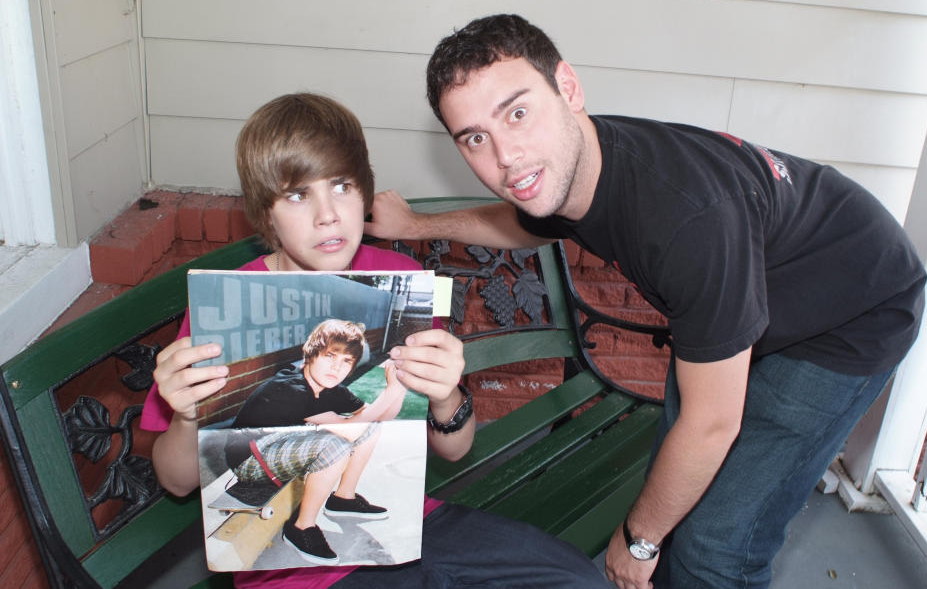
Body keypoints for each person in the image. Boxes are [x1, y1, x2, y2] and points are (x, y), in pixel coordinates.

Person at [364, 14, 927, 589]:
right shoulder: (572, 161)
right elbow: (524, 226)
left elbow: (711, 424)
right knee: (681, 491)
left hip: (852, 311)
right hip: (755, 295)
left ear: (569, 88)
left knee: (715, 548)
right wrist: (415, 223)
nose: (505, 156)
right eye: (475, 138)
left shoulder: (687, 221)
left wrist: (637, 540)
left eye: (517, 112)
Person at [142, 92, 610, 587]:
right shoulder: (226, 303)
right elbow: (175, 480)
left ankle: (342, 497)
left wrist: (446, 395)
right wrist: (189, 415)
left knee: (577, 580)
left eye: (341, 186)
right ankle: (310, 524)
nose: (328, 215)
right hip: (293, 571)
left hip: (415, 528)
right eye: (298, 195)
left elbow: (453, 451)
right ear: (266, 212)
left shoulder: (399, 278)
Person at [224, 319, 405, 565]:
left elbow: (379, 417)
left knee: (369, 428)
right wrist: (390, 393)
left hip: (283, 443)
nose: (336, 367)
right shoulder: (292, 388)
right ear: (311, 354)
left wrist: (401, 385)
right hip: (249, 459)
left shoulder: (329, 386)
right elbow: (349, 432)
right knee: (336, 444)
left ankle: (344, 498)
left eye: (346, 361)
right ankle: (301, 528)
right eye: (330, 356)